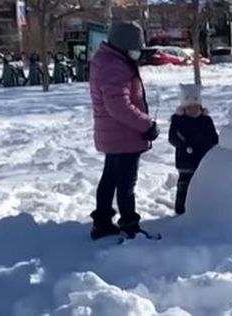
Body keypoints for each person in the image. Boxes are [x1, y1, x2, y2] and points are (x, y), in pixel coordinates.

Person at [89, 21, 159, 240]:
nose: (138, 52)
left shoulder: (108, 60)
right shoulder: (115, 67)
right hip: (123, 135)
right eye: (136, 47)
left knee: (110, 178)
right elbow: (118, 106)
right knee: (125, 184)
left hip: (114, 134)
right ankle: (130, 225)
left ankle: (102, 221)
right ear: (125, 46)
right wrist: (146, 124)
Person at [168, 84, 218, 215]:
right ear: (184, 108)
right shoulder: (178, 121)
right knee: (185, 185)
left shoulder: (206, 120)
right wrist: (183, 144)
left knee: (203, 185)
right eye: (189, 108)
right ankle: (181, 209)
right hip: (186, 161)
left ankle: (202, 208)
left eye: (196, 107)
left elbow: (214, 138)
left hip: (203, 160)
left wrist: (212, 147)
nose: (193, 110)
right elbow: (173, 138)